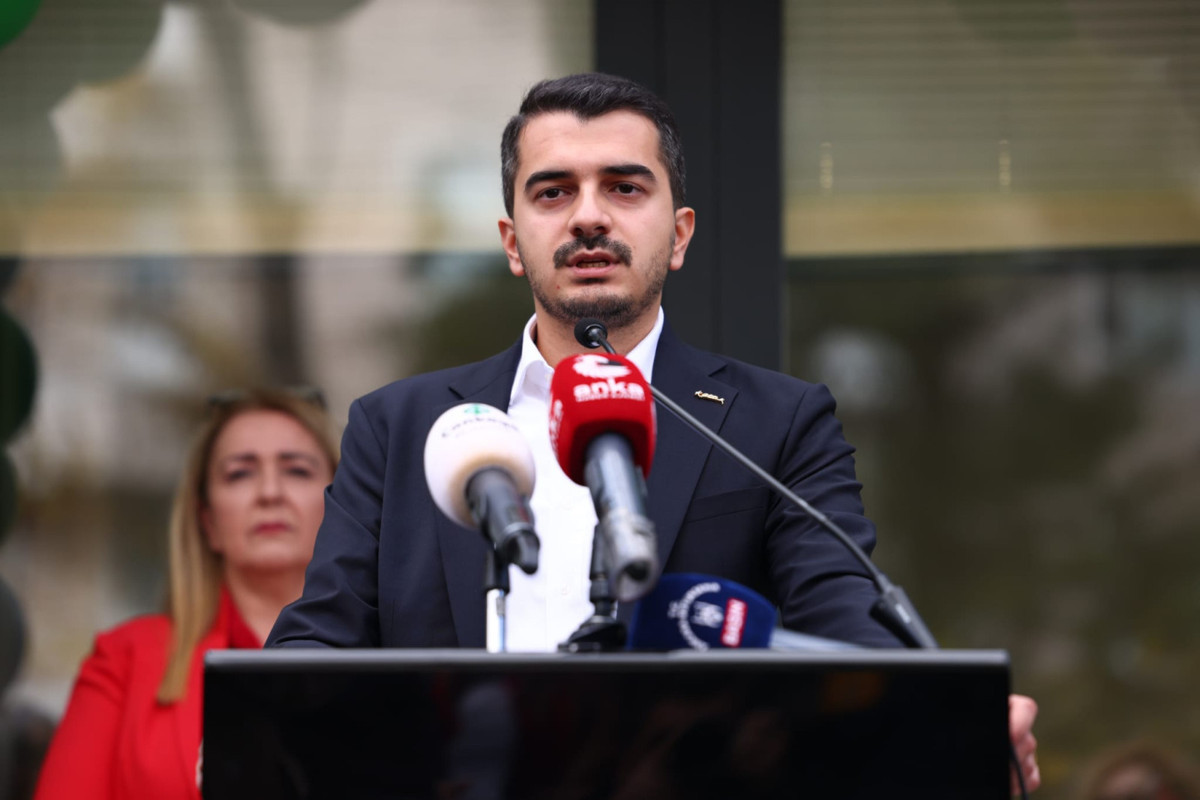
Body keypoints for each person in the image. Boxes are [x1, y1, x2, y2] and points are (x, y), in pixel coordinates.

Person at [267, 72, 1040, 792]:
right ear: (511, 241)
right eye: (553, 191)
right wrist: (258, 736)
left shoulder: (777, 423)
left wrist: (945, 731)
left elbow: (847, 628)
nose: (589, 215)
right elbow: (316, 647)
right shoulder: (400, 427)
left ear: (678, 233)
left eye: (625, 187)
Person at [33, 388, 337, 800]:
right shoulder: (123, 660)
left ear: (344, 506)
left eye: (297, 470)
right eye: (240, 474)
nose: (270, 492)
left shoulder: (398, 653)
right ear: (208, 522)